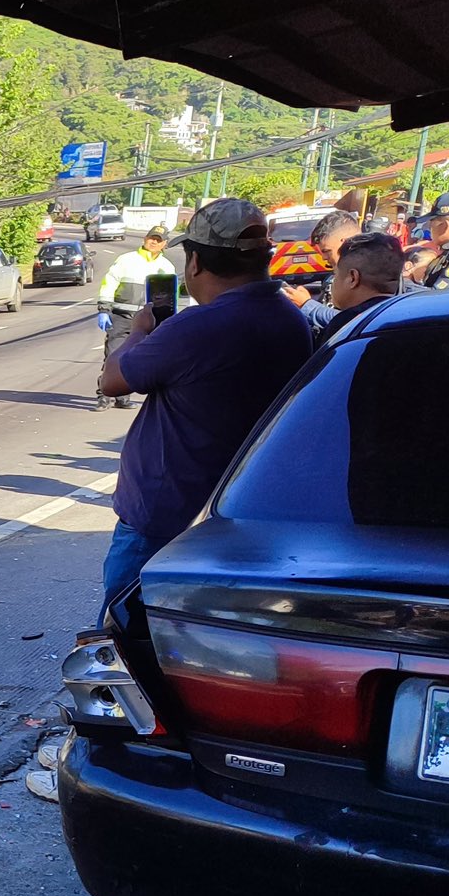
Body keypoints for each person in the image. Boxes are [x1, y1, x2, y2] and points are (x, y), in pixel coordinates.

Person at [94, 198, 312, 615]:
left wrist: (140, 331)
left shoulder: (197, 326)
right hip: (242, 511)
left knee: (129, 638)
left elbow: (113, 380)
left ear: (195, 263)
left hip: (165, 519)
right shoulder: (289, 319)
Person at [93, 225, 180, 410]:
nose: (153, 242)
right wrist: (104, 309)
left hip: (150, 321)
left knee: (136, 358)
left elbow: (171, 296)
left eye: (158, 240)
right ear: (145, 239)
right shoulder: (126, 260)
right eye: (151, 238)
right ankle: (104, 397)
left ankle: (123, 397)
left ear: (164, 243)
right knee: (113, 356)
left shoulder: (166, 267)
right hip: (121, 317)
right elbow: (109, 284)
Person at [323, 231, 403, 335]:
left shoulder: (346, 325)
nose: (332, 283)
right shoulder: (411, 315)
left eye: (336, 274)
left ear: (353, 278)